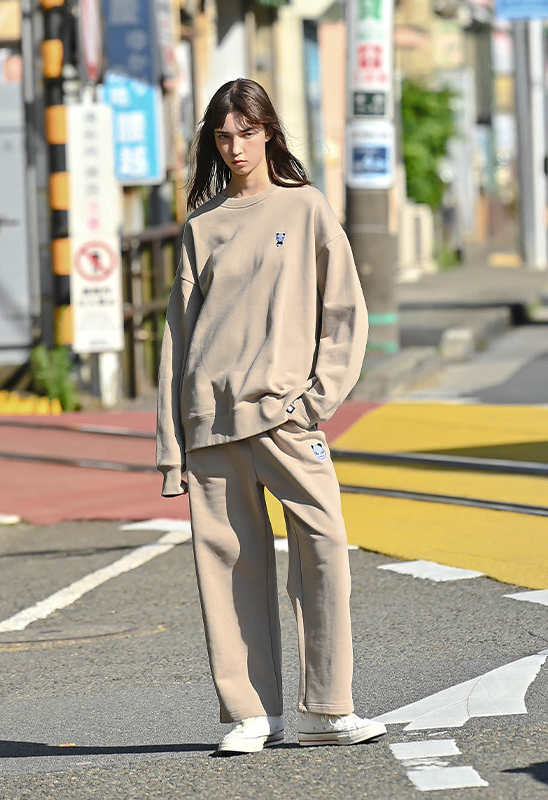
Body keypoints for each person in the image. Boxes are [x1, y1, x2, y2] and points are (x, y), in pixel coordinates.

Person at [156, 78, 386, 755]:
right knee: (228, 566)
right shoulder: (201, 226)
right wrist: (173, 444)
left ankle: (327, 707)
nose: (235, 148)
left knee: (324, 548)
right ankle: (250, 714)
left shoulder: (307, 208)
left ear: (268, 132)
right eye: (223, 137)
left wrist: (315, 399)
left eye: (246, 133)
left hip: (286, 419)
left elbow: (344, 313)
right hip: (210, 422)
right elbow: (178, 337)